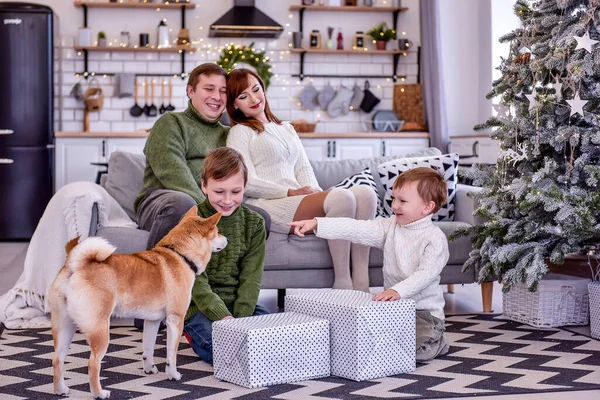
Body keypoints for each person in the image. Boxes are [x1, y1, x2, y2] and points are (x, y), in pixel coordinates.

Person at [225, 68, 378, 292]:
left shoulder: (286, 128)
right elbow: (245, 182)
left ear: (263, 89)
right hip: (268, 205)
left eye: (256, 90)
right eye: (243, 96)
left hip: (298, 201)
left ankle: (362, 281)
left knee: (366, 193)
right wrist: (289, 192)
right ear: (235, 104)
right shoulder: (240, 131)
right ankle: (343, 282)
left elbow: (303, 168)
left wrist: (315, 192)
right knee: (343, 197)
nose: (254, 98)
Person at [288, 167, 450, 361]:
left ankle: (437, 341)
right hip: (393, 310)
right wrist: (317, 223)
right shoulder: (390, 227)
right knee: (364, 341)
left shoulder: (435, 239)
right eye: (394, 199)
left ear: (427, 207)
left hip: (424, 314)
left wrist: (397, 292)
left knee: (413, 351)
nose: (395, 205)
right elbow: (356, 228)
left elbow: (424, 275)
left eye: (403, 201)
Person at [183, 147, 269, 364]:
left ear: (245, 187)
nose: (228, 200)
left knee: (278, 336)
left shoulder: (255, 224)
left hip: (240, 308)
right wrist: (224, 318)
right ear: (204, 186)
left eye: (236, 191)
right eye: (219, 192)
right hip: (200, 307)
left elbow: (251, 278)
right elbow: (197, 284)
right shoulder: (192, 223)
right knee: (225, 351)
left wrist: (241, 322)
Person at [134, 63, 229, 250]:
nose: (217, 97)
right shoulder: (171, 122)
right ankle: (158, 275)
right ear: (190, 91)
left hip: (215, 205)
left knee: (259, 218)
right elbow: (173, 173)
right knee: (183, 203)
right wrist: (210, 214)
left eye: (223, 91)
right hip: (163, 201)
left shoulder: (230, 133)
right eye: (209, 88)